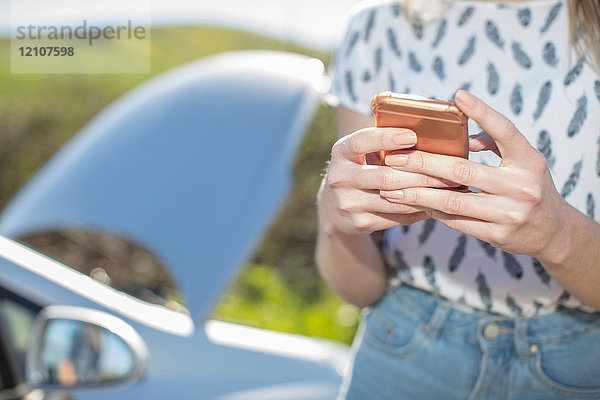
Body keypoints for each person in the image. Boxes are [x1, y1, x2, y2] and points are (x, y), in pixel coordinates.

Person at [316, 0, 600, 398]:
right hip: (403, 349)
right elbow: (360, 290)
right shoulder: (379, 28)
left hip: (580, 363)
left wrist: (559, 236)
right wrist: (335, 221)